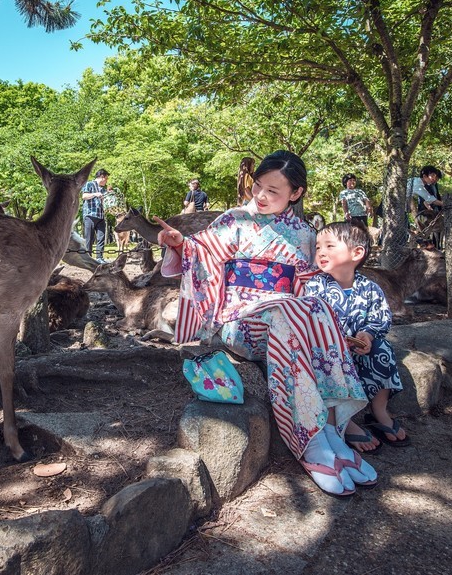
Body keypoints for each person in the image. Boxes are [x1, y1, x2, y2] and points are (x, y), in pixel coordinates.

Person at [156, 151, 372, 498]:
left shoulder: (304, 233)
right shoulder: (234, 220)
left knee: (314, 307)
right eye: (258, 186)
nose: (261, 196)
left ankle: (332, 431)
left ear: (296, 194)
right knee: (285, 314)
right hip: (239, 321)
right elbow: (201, 253)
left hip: (286, 316)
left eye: (273, 191)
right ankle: (312, 440)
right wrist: (180, 244)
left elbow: (308, 286)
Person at [304, 222, 409, 452]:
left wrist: (368, 336)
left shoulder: (370, 288)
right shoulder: (315, 287)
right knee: (328, 360)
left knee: (383, 351)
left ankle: (379, 409)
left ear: (357, 253)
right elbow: (310, 321)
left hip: (359, 350)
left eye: (329, 246)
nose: (321, 252)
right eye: (318, 247)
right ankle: (346, 420)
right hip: (328, 351)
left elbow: (380, 318)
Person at [82, 168, 110, 262]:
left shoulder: (103, 189)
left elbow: (105, 202)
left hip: (101, 216)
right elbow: (84, 196)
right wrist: (95, 194)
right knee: (89, 238)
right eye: (106, 179)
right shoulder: (89, 184)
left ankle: (99, 258)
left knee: (101, 237)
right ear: (102, 177)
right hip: (90, 215)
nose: (106, 181)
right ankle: (88, 258)